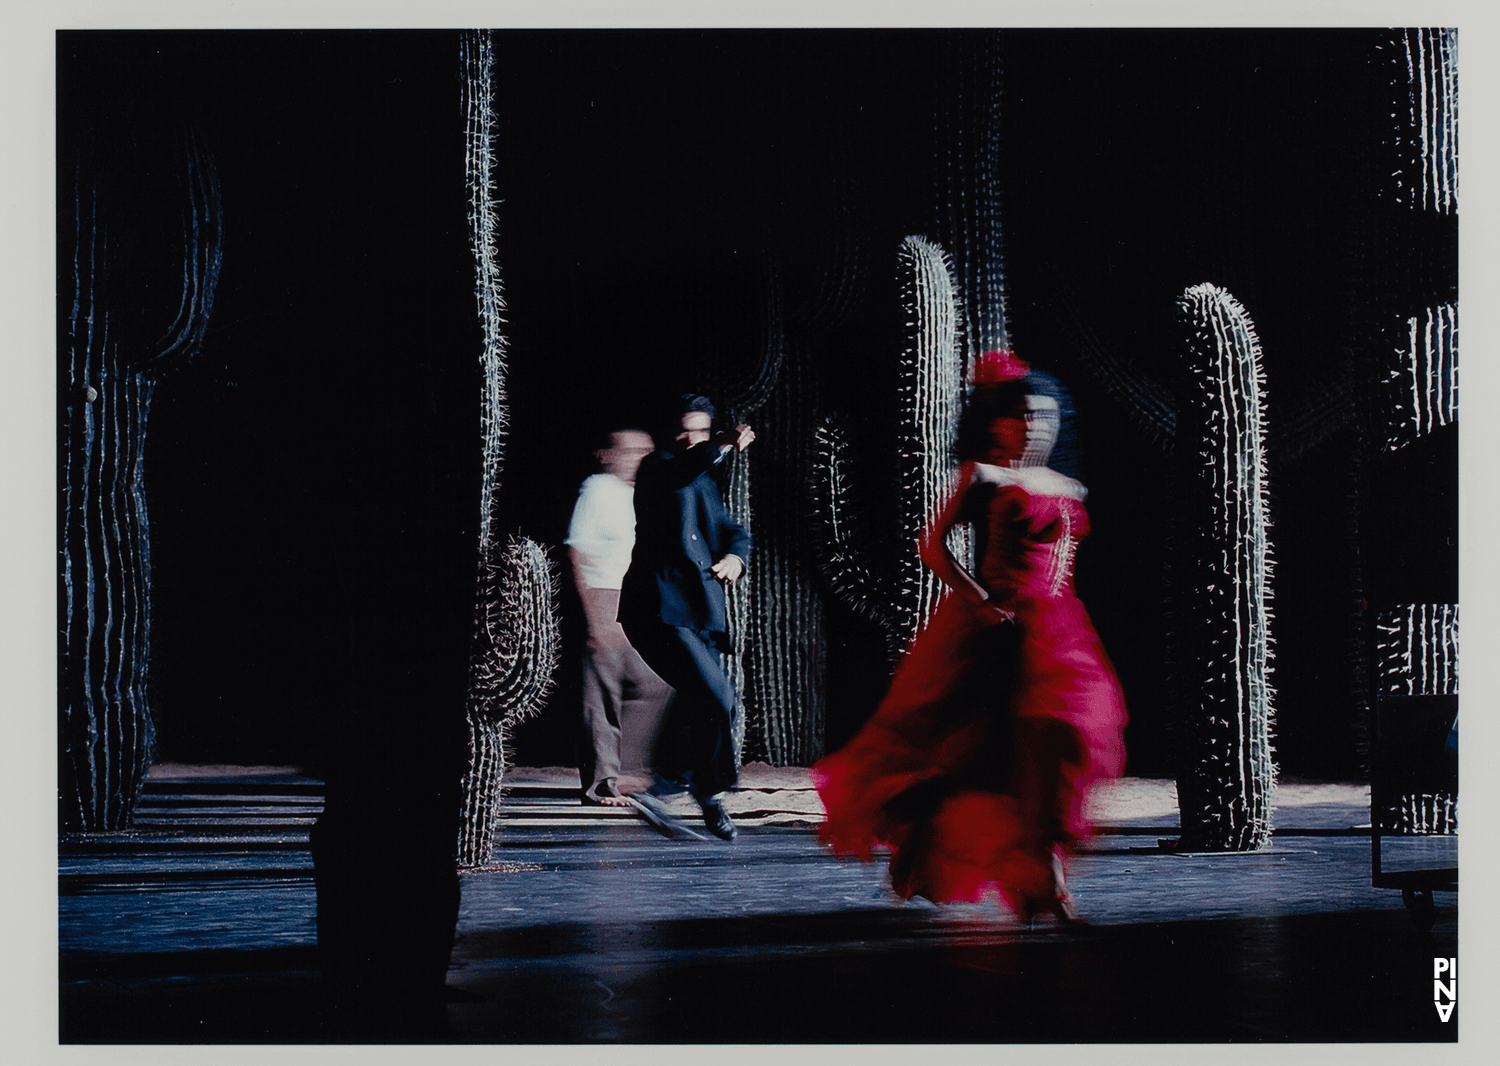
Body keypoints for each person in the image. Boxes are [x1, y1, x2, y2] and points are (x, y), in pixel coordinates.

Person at [814, 350, 1127, 921]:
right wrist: (981, 603)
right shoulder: (985, 476)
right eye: (1026, 415)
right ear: (1001, 422)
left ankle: (1042, 874)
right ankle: (1045, 885)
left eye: (1046, 416)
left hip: (1061, 634)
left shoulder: (1069, 486)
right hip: (1001, 632)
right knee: (994, 756)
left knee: (1066, 745)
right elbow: (932, 545)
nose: (1037, 425)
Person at [619, 394, 755, 841]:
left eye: (698, 429)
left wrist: (735, 556)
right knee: (714, 698)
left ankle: (705, 793)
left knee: (712, 703)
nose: (688, 437)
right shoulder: (659, 468)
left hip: (697, 614)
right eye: (683, 429)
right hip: (659, 610)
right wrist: (722, 442)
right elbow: (683, 470)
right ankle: (669, 786)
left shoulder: (705, 484)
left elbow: (733, 532)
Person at [566, 428, 675, 807]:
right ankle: (603, 784)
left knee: (657, 683)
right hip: (605, 597)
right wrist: (597, 619)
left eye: (646, 452)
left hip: (638, 601)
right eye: (631, 452)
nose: (639, 459)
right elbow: (579, 552)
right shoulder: (597, 490)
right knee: (603, 694)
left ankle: (627, 770)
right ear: (609, 456)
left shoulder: (643, 494)